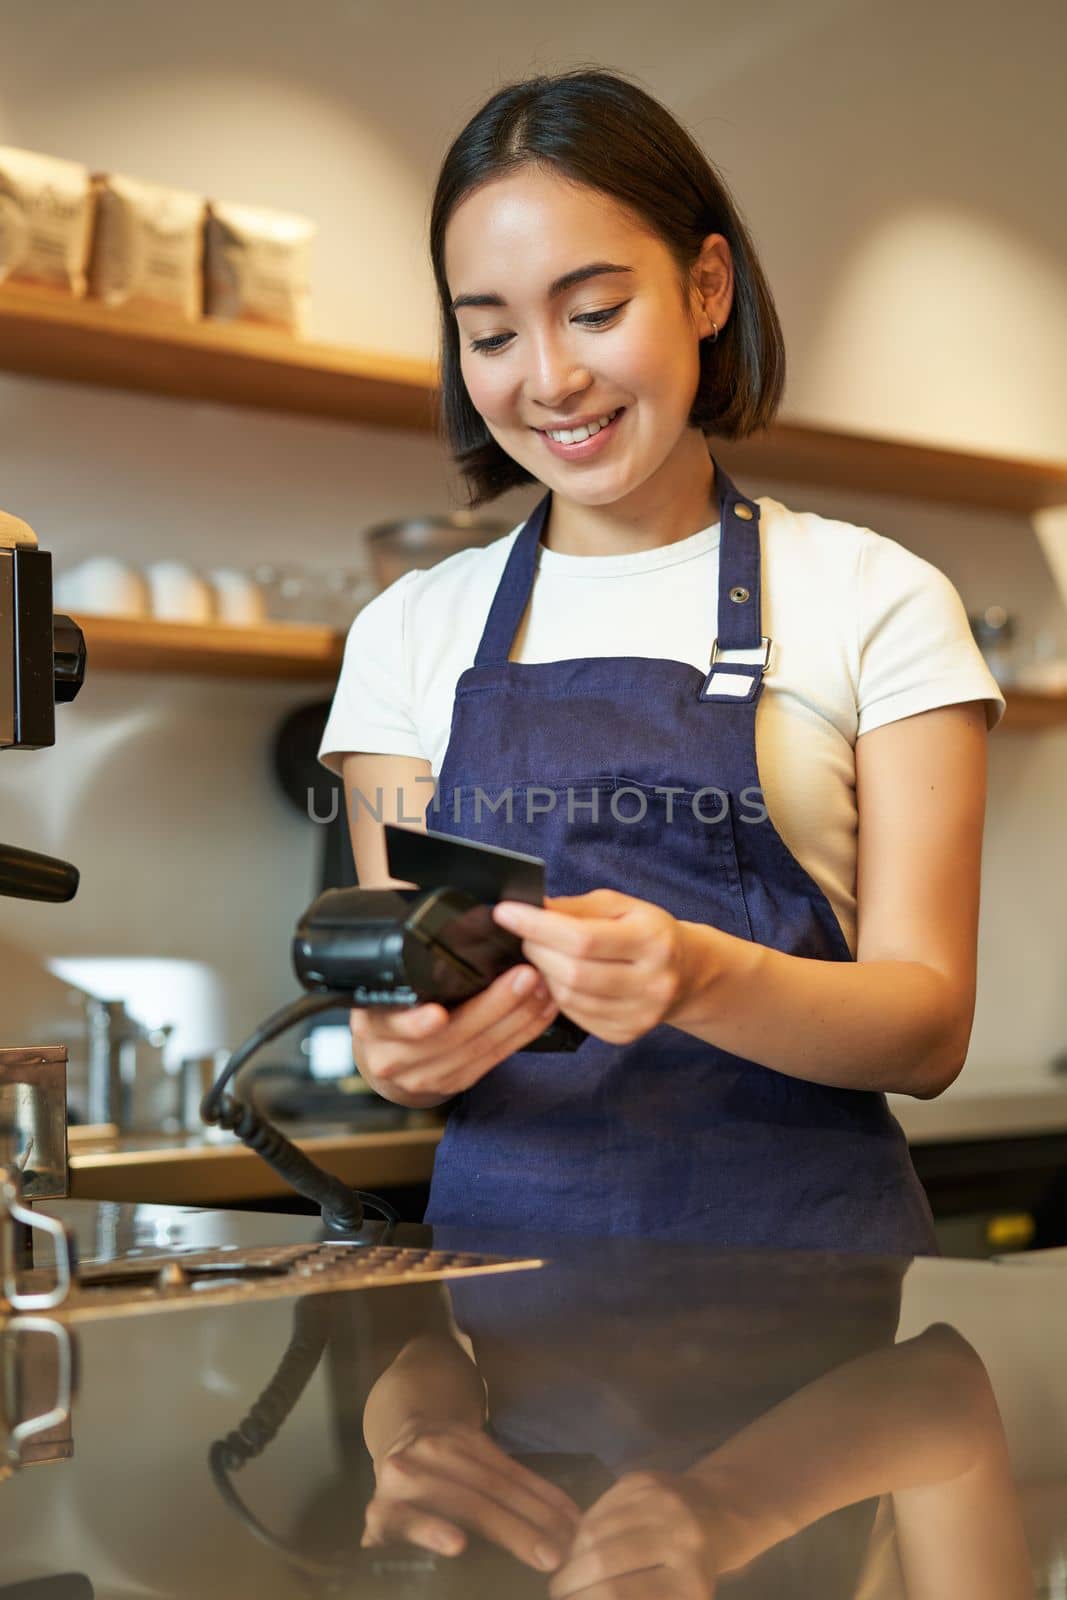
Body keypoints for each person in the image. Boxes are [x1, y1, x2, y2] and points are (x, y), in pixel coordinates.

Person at [318, 68, 1005, 1254]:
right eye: (489, 332)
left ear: (703, 286)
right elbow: (399, 983)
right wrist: (395, 1052)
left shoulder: (874, 596)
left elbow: (928, 1028)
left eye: (590, 312)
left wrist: (693, 975)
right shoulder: (407, 631)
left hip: (810, 1338)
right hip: (497, 1318)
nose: (546, 378)